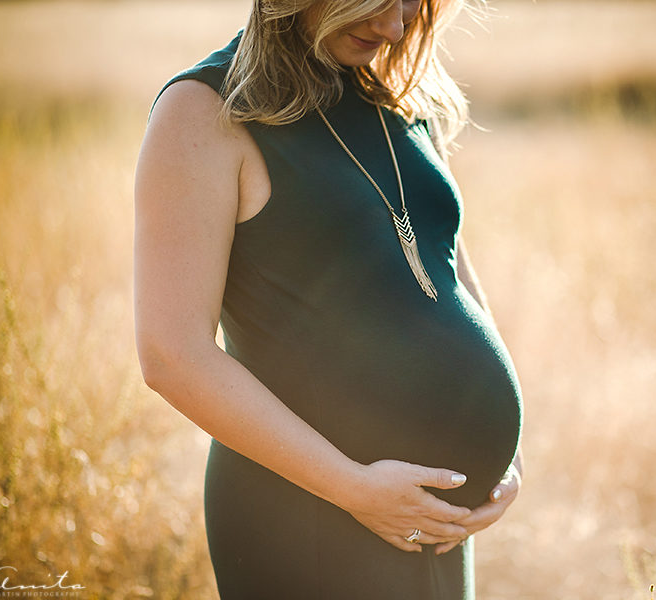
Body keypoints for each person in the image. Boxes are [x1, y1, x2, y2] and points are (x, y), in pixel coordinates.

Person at [133, 0, 523, 597]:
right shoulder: (205, 112)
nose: (395, 27)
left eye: (412, 3)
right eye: (377, 1)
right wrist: (353, 488)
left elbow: (447, 271)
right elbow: (172, 354)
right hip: (312, 515)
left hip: (431, 523)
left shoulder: (390, 98)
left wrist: (503, 455)